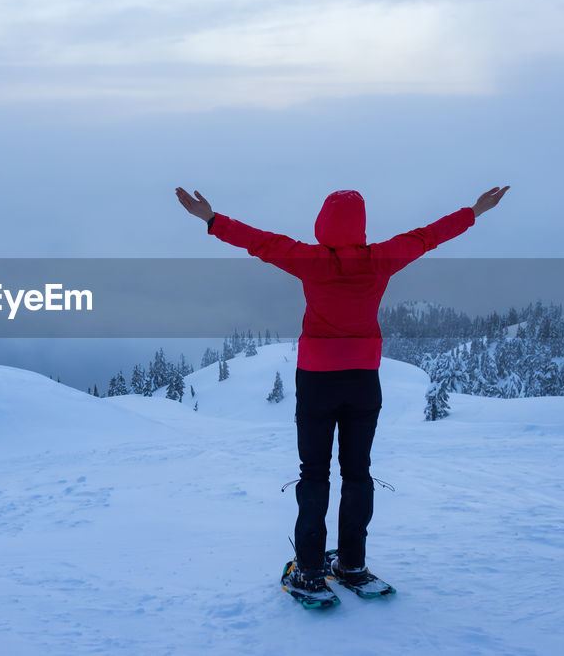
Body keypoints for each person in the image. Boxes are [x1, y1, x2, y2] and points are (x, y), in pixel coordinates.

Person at [175, 184, 509, 600]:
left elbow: (260, 242)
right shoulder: (379, 260)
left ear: (323, 223)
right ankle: (352, 564)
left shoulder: (311, 260)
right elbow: (428, 236)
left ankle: (311, 571)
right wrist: (475, 211)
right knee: (357, 472)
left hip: (317, 378)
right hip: (364, 377)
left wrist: (211, 220)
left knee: (314, 474)